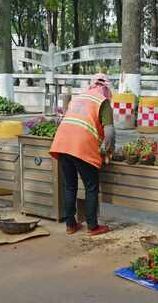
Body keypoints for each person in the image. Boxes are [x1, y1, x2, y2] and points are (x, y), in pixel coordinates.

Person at [50, 73, 115, 236]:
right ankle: (93, 227)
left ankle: (70, 224)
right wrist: (108, 150)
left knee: (70, 185)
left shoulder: (78, 98)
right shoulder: (103, 101)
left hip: (63, 144)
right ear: (106, 88)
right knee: (91, 187)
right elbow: (109, 132)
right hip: (82, 146)